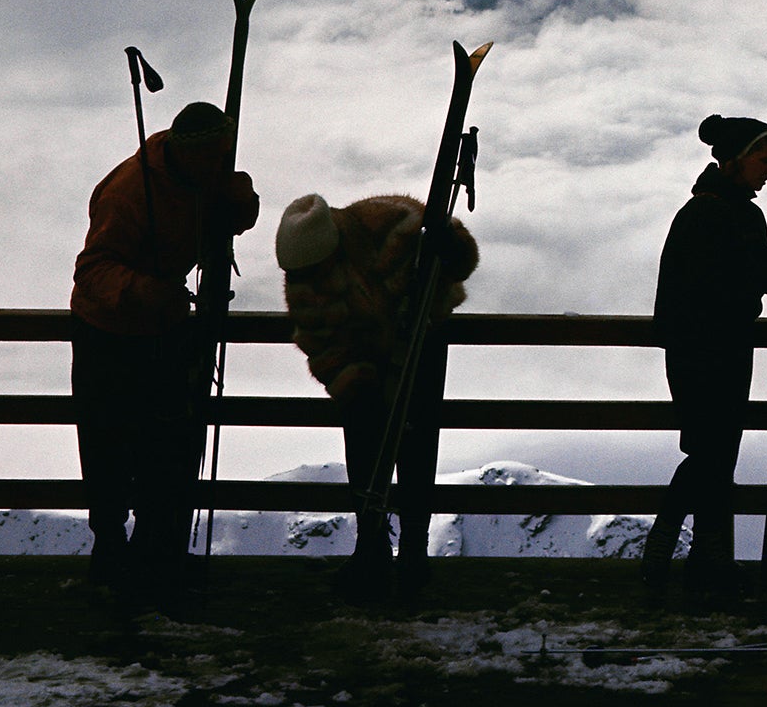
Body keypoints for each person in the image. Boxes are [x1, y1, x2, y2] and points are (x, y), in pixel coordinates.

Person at [70, 99, 259, 591]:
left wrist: (238, 204)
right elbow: (92, 270)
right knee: (110, 448)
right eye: (215, 155)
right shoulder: (129, 193)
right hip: (108, 334)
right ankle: (111, 556)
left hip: (165, 328)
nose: (222, 161)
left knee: (169, 446)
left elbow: (230, 213)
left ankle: (156, 553)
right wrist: (152, 293)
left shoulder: (201, 174)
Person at [641, 114, 767, 603]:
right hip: (710, 349)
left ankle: (705, 559)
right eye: (764, 161)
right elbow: (756, 276)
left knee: (713, 455)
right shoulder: (720, 213)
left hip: (705, 347)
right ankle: (677, 551)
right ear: (738, 159)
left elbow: (754, 274)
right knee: (711, 454)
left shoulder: (713, 209)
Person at [274, 186, 481, 599]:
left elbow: (461, 257)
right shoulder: (306, 274)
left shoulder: (386, 222)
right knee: (365, 437)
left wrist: (449, 248)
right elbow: (323, 344)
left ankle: (413, 551)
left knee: (417, 437)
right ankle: (371, 546)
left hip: (423, 330)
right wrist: (356, 384)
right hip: (362, 350)